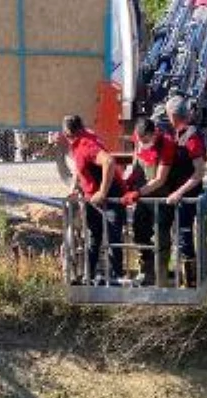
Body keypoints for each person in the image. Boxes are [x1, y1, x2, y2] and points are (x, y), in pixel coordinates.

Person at [62, 113, 125, 284]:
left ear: (68, 133)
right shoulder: (78, 141)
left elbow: (109, 162)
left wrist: (102, 192)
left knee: (113, 238)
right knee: (93, 237)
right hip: (92, 199)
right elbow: (79, 167)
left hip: (110, 198)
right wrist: (75, 187)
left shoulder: (86, 144)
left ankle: (116, 278)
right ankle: (88, 276)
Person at [121, 116, 176, 286]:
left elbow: (160, 179)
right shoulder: (138, 139)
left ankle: (161, 276)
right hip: (143, 198)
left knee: (161, 236)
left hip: (161, 197)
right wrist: (128, 181)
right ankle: (147, 269)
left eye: (145, 140)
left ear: (153, 134)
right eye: (140, 139)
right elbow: (136, 163)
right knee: (139, 232)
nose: (142, 143)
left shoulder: (166, 144)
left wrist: (138, 193)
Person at [163, 95, 207, 287]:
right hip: (179, 194)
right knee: (178, 235)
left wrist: (179, 192)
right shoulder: (178, 133)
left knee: (184, 235)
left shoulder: (191, 137)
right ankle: (180, 276)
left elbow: (199, 172)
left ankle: (190, 282)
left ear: (172, 116)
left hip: (187, 195)